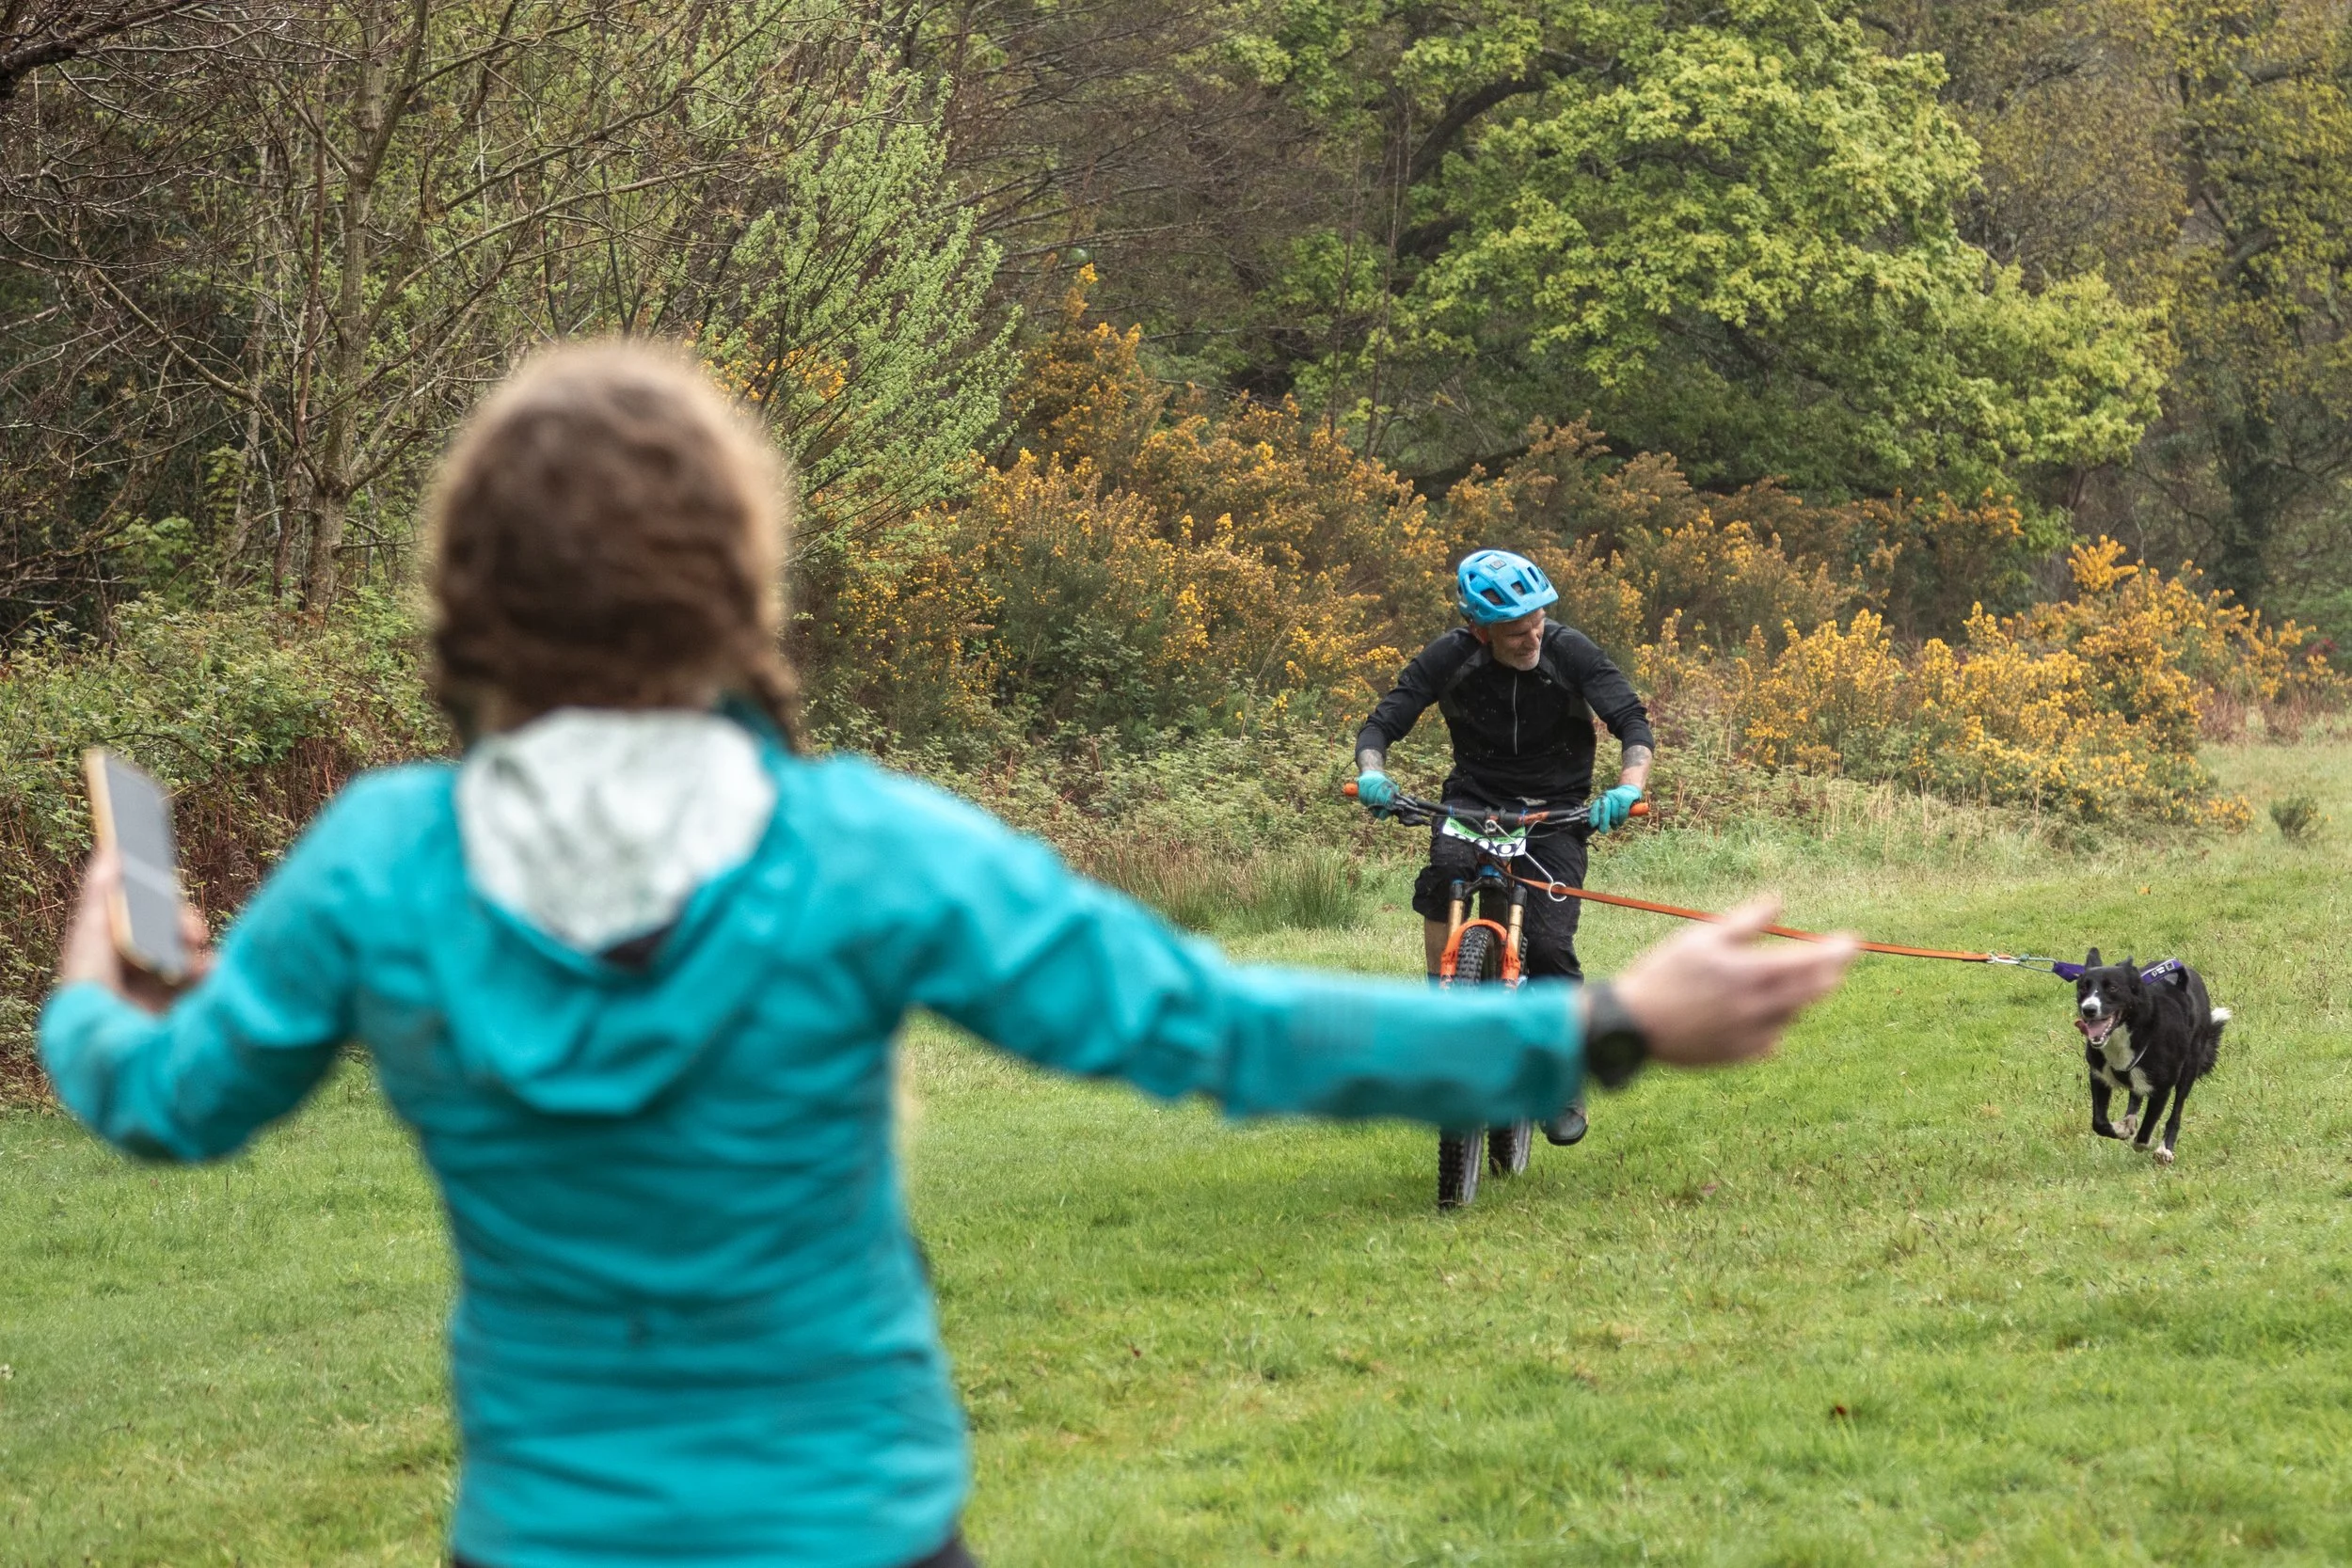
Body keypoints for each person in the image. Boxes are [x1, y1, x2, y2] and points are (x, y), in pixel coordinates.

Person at [40, 342, 1854, 1568]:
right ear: (739, 574)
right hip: (861, 1519)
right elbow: (1218, 1029)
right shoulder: (866, 845)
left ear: (464, 594)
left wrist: (91, 985)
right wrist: (1602, 1028)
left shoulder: (376, 863)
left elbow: (166, 1101)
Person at [1351, 547, 1656, 1147]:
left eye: (1539, 621)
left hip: (1557, 807)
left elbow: (1632, 723)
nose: (1532, 637)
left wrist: (1627, 788)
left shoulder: (1570, 651)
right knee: (1445, 875)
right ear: (1478, 630)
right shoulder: (1451, 657)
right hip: (1473, 799)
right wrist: (1372, 772)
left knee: (1545, 944)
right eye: (1517, 631)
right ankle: (1446, 1011)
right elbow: (1382, 723)